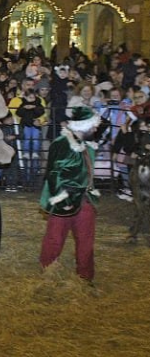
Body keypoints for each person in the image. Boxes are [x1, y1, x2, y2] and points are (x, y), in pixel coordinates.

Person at [39, 106, 102, 283]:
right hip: (64, 199)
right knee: (55, 238)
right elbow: (53, 174)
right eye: (93, 126)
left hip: (85, 199)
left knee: (86, 240)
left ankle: (85, 277)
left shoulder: (87, 146)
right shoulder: (61, 143)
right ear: (84, 126)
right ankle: (48, 272)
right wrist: (61, 199)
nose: (96, 129)